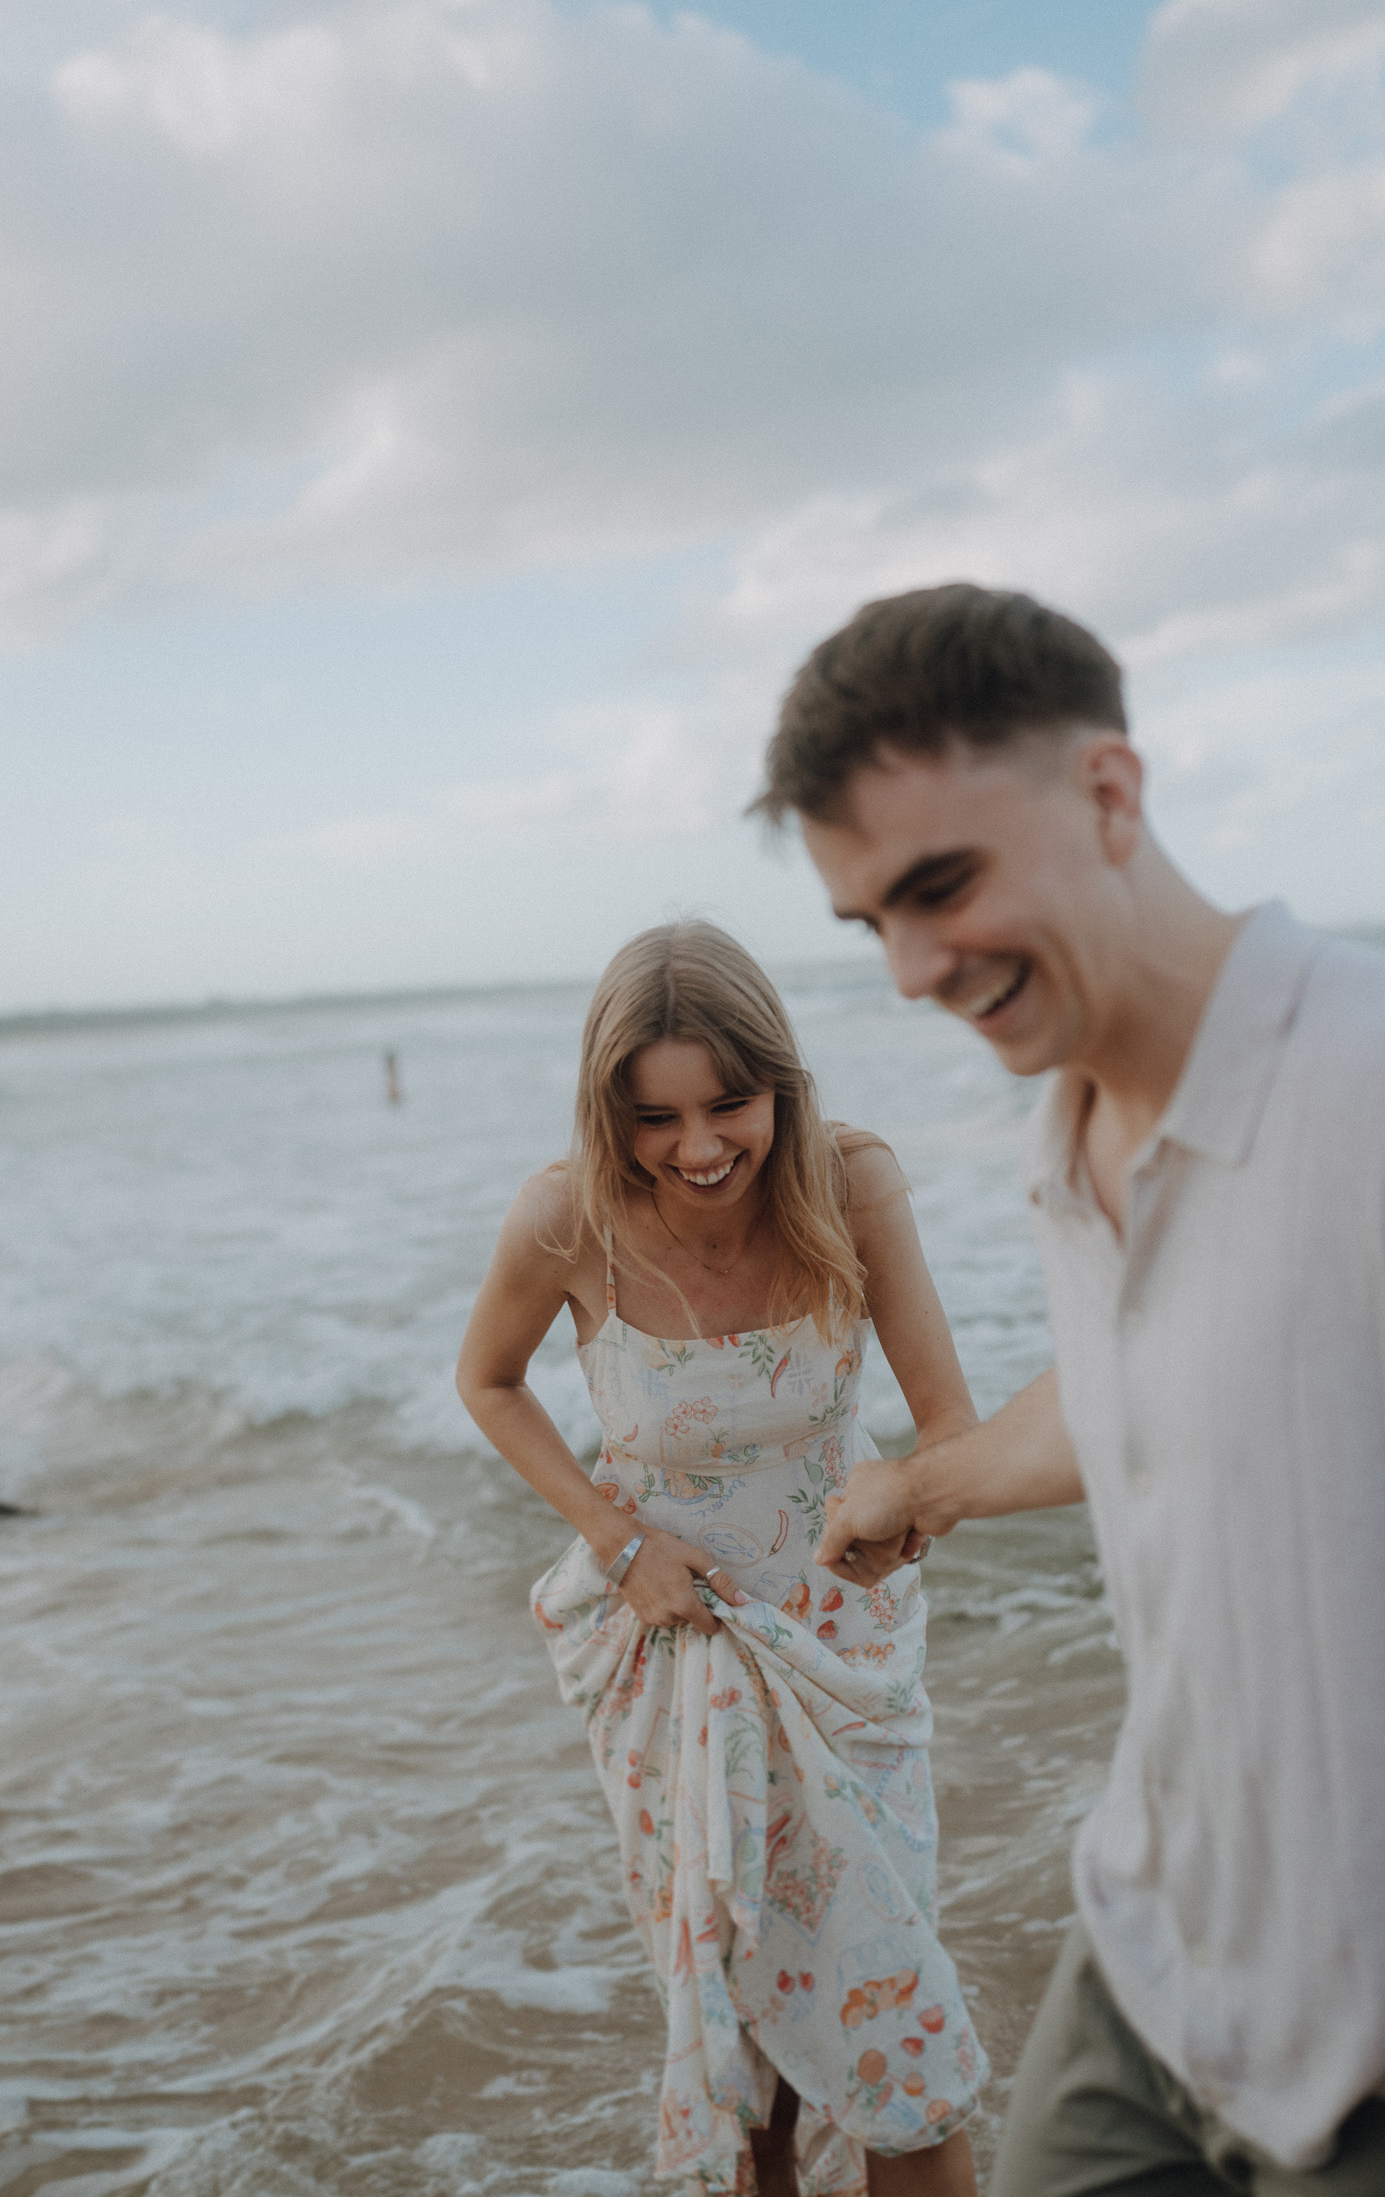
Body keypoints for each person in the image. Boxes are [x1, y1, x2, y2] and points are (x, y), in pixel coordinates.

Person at [753, 582, 1385, 2197]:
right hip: (1147, 1993)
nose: (915, 972)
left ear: (1112, 794)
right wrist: (920, 1487)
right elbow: (1148, 1387)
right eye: (873, 922)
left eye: (942, 887)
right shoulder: (1065, 1134)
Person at [456, 921, 989, 2197]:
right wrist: (616, 1535)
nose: (697, 1149)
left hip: (843, 1654)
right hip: (667, 1656)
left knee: (891, 2033)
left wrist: (912, 1498)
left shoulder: (850, 1183)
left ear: (780, 1086)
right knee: (745, 2052)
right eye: (654, 1118)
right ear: (609, 1110)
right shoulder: (564, 1218)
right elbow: (488, 1381)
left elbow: (950, 1427)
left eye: (729, 1106)